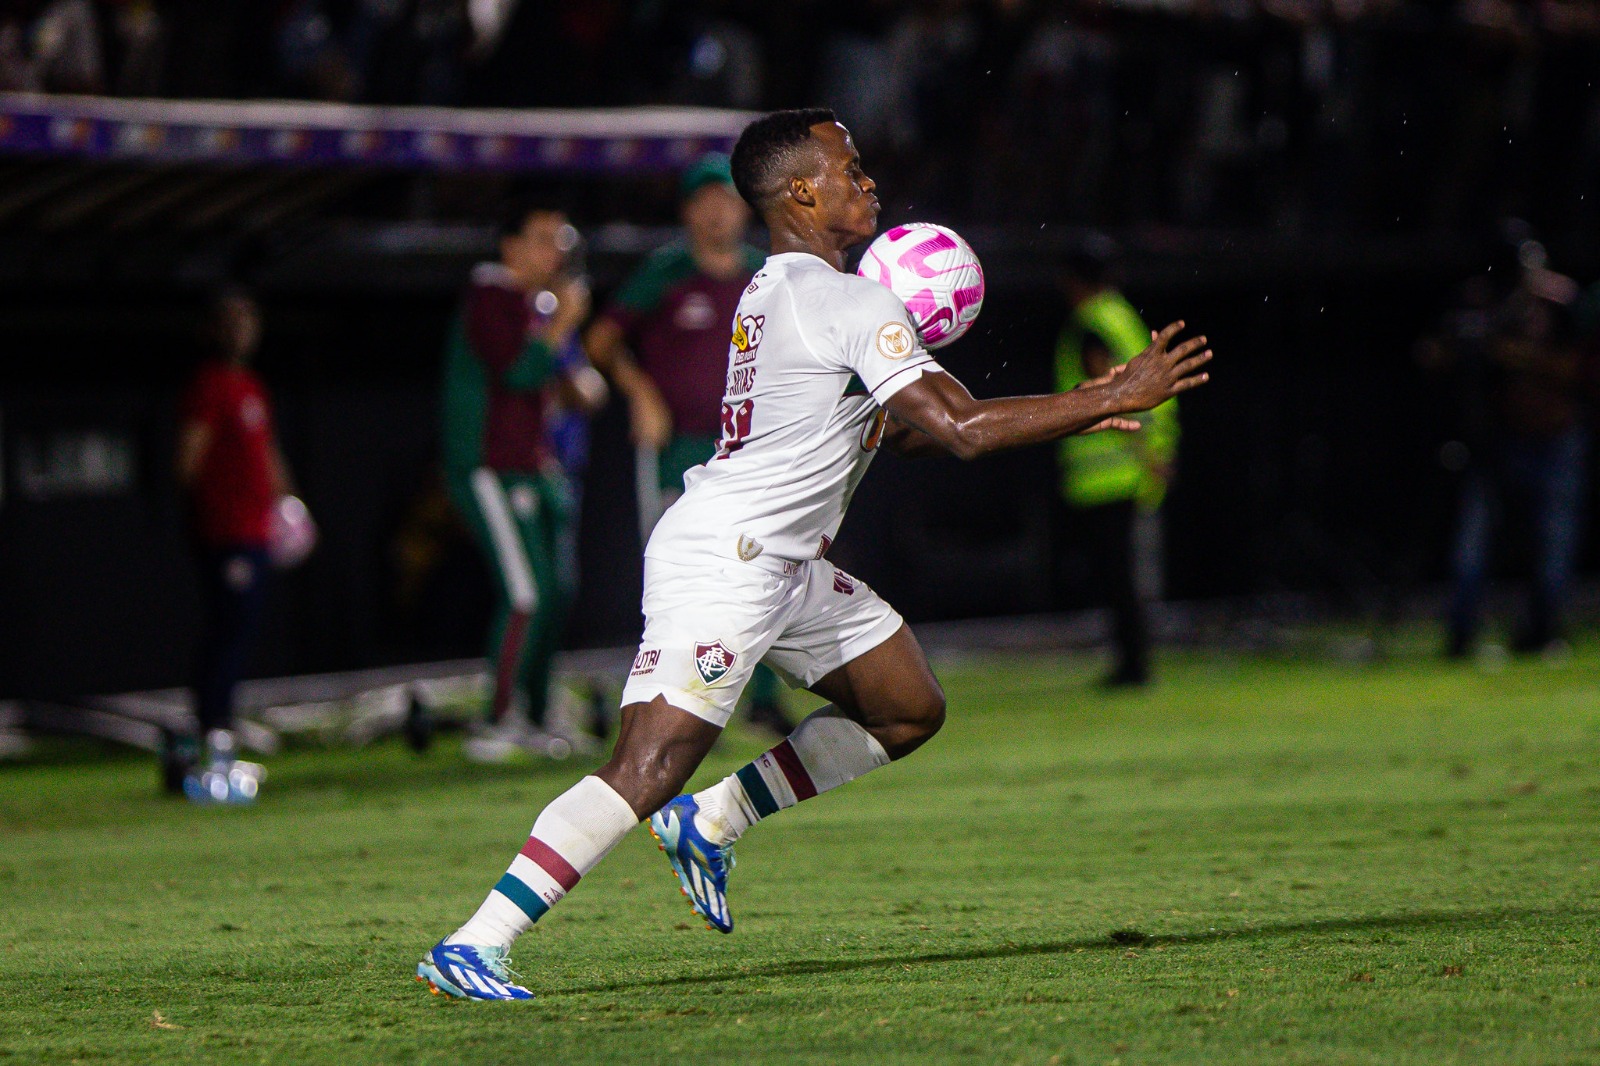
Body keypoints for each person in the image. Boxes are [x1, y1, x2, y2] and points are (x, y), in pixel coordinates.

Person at [416, 108, 1211, 1000]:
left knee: (906, 708)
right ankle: (476, 942)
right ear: (800, 190)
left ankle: (714, 820)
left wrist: (1076, 402)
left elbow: (906, 432)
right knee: (645, 762)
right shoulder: (843, 299)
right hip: (731, 558)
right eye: (851, 168)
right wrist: (1125, 389)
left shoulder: (785, 290)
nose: (868, 183)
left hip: (785, 563)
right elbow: (962, 430)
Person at [584, 151, 793, 736]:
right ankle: (670, 703)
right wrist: (639, 390)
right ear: (687, 211)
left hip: (753, 449)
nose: (717, 213)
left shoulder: (768, 272)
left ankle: (764, 699)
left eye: (727, 199)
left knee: (767, 563)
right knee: (679, 572)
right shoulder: (666, 271)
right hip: (678, 448)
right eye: (704, 200)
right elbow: (601, 341)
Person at [440, 203, 604, 762]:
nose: (553, 252)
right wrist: (563, 326)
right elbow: (518, 372)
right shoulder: (493, 294)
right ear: (509, 246)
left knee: (555, 592)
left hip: (533, 467)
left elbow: (571, 387)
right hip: (487, 466)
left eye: (559, 240)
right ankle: (495, 720)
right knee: (525, 594)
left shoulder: (535, 304)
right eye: (540, 239)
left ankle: (536, 716)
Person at [1426, 240, 1592, 659]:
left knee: (1553, 541)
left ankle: (1540, 633)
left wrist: (1516, 355)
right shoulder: (1491, 307)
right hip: (1500, 440)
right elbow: (1438, 354)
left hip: (1555, 439)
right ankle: (1462, 636)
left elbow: (1576, 369)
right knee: (1474, 541)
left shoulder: (1560, 302)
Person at [175, 288, 291, 803]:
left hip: (256, 530)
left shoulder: (250, 386)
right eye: (233, 319)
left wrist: (286, 504)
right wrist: (210, 512)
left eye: (249, 318)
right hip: (226, 533)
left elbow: (267, 455)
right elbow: (189, 459)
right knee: (227, 630)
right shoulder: (210, 385)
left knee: (242, 630)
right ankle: (211, 735)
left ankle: (219, 729)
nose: (244, 329)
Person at [1054, 236, 1179, 687]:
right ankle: (1135, 662)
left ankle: (1133, 667)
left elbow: (1109, 395)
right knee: (1130, 576)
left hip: (1112, 473)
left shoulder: (1092, 324)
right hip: (1135, 465)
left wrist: (1146, 454)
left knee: (1121, 579)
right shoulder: (1121, 315)